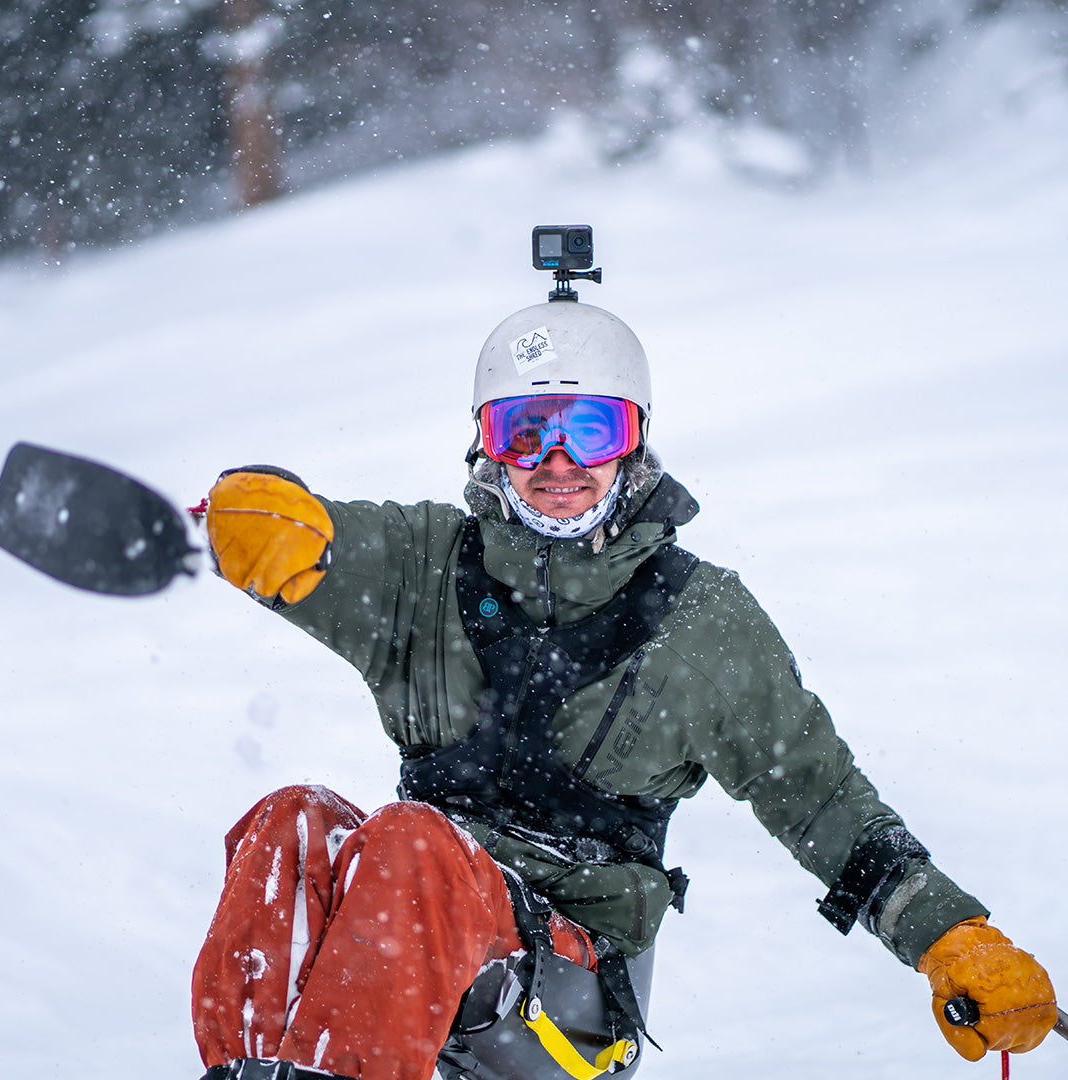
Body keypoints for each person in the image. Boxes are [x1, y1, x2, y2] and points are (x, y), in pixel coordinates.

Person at [191, 291, 1058, 1080]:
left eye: (590, 432)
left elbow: (821, 796)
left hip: (565, 999)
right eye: (525, 432)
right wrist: (250, 512)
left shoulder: (698, 620)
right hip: (414, 939)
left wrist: (950, 936)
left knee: (412, 842)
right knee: (292, 822)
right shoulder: (426, 565)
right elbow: (307, 537)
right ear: (486, 443)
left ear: (634, 441)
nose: (557, 462)